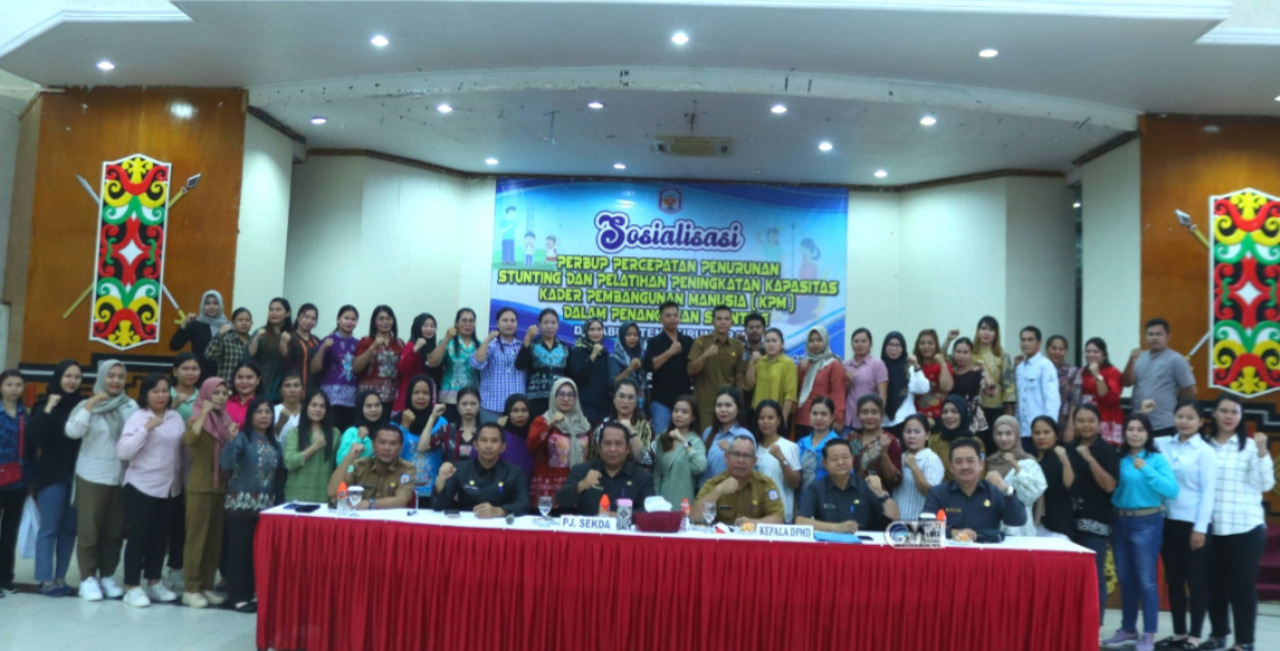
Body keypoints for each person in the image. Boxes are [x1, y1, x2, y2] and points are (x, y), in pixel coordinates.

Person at [1103, 414, 1180, 651]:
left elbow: (1172, 490)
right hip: (1120, 521)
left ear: (1148, 434)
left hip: (1148, 522)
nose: (1135, 434)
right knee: (1126, 579)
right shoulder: (1119, 458)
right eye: (1130, 429)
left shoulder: (1155, 459)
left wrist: (1146, 469)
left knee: (1146, 581)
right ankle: (1128, 629)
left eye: (1140, 430)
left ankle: (1148, 633)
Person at [1202, 394, 1273, 651]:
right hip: (1212, 527)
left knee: (1242, 587)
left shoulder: (1251, 447)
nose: (1229, 416)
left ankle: (1244, 641)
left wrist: (1263, 452)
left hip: (1245, 527)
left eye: (1234, 412)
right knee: (1214, 586)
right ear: (1214, 413)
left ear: (1241, 416)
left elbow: (1265, 484)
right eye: (1224, 411)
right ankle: (1218, 634)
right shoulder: (1204, 446)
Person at [65, 359, 136, 601]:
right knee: (89, 532)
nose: (116, 380)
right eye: (111, 375)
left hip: (121, 478)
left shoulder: (130, 406)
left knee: (114, 532)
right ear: (101, 377)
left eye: (120, 376)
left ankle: (107, 576)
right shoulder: (87, 405)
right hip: (92, 476)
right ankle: (87, 578)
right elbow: (73, 432)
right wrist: (91, 404)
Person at [116, 372, 185, 607]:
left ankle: (154, 582)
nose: (161, 395)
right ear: (145, 394)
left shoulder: (175, 417)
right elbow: (124, 451)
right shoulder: (138, 417)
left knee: (160, 538)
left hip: (170, 488)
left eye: (165, 391)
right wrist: (146, 429)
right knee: (138, 538)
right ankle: (132, 586)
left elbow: (182, 452)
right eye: (155, 391)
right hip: (141, 486)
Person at [1154, 400, 1217, 650]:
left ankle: (1195, 636)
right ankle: (1179, 633)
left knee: (1196, 580)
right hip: (1167, 521)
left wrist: (1200, 527)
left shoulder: (1205, 452)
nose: (1184, 421)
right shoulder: (1162, 444)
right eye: (1180, 416)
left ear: (1201, 422)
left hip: (1194, 525)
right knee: (1174, 580)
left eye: (1190, 417)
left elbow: (1208, 492)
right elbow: (1138, 435)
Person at [220, 398, 283, 614]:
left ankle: (251, 592)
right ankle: (236, 596)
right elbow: (226, 463)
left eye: (268, 412)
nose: (264, 416)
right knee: (238, 552)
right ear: (251, 415)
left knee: (255, 553)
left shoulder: (274, 442)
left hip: (264, 508)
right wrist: (230, 441)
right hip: (240, 505)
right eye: (259, 412)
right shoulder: (242, 438)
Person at [27, 360, 84, 596]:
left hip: (77, 475)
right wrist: (50, 406)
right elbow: (35, 437)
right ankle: (45, 579)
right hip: (50, 475)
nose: (72, 381)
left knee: (69, 530)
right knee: (49, 529)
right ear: (59, 377)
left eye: (77, 377)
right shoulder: (44, 404)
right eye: (68, 376)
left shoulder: (83, 406)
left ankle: (61, 577)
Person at [180, 378, 233, 609]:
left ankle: (206, 585)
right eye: (216, 393)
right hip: (200, 488)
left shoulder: (226, 421)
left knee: (213, 541)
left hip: (220, 488)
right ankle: (191, 588)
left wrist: (232, 438)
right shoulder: (196, 418)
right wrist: (203, 412)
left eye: (224, 393)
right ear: (206, 395)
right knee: (196, 540)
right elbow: (190, 439)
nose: (221, 397)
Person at [1069, 403, 1121, 627]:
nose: (1086, 425)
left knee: (1094, 575)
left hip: (1096, 523)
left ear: (1099, 424)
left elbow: (1109, 486)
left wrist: (1089, 458)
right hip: (1069, 523)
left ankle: (1094, 627)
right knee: (1071, 577)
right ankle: (1073, 625)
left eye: (1091, 420)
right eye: (1081, 420)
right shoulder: (1068, 448)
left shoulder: (1107, 451)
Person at [923, 438, 1027, 542]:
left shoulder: (993, 492)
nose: (965, 466)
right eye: (958, 462)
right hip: (950, 550)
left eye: (970, 461)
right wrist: (951, 532)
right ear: (951, 467)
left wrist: (1006, 490)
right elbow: (921, 531)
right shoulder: (938, 493)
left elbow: (1018, 521)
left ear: (981, 464)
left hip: (986, 550)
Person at [797, 438, 899, 532]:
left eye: (845, 457)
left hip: (863, 542)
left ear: (852, 459)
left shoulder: (865, 485)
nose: (841, 462)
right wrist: (837, 528)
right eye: (834, 459)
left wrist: (880, 493)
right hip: (828, 542)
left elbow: (894, 516)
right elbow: (800, 521)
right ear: (825, 463)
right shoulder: (815, 489)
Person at [556, 421, 655, 514]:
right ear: (599, 447)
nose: (612, 449)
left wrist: (617, 516)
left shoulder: (642, 477)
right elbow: (561, 501)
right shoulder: (581, 470)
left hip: (624, 527)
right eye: (607, 443)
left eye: (618, 444)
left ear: (628, 449)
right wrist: (581, 486)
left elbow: (650, 512)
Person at [433, 423, 530, 516]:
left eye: (494, 441)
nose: (488, 446)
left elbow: (524, 504)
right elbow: (438, 506)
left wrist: (499, 511)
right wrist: (441, 481)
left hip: (501, 524)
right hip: (467, 524)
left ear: (503, 447)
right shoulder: (460, 469)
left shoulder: (515, 472)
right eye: (484, 440)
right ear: (475, 445)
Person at [1123, 318, 1196, 437]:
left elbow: (1190, 390)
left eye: (1159, 334)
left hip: (1164, 424)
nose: (1154, 338)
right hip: (1139, 423)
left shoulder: (1176, 359)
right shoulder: (1140, 357)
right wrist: (1131, 360)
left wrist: (1177, 407)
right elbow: (1127, 382)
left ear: (1168, 337)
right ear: (1145, 337)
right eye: (1150, 334)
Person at [694, 434, 785, 526]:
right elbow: (694, 517)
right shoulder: (714, 484)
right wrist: (718, 491)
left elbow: (778, 520)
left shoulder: (765, 484)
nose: (740, 460)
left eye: (746, 456)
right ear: (726, 457)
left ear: (754, 461)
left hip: (752, 534)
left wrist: (752, 523)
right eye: (736, 454)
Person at [526, 377, 591, 503]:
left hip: (577, 489)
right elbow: (531, 445)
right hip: (548, 493)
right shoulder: (542, 421)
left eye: (570, 395)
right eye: (561, 394)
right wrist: (550, 424)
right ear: (553, 396)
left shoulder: (584, 425)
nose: (565, 399)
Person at [326, 424, 416, 512]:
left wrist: (369, 503)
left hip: (391, 519)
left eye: (393, 444)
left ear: (400, 447)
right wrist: (349, 457)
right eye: (382, 442)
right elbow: (333, 492)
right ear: (373, 445)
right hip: (359, 518)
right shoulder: (360, 465)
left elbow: (402, 500)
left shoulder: (407, 468)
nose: (387, 448)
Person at [986, 415, 1048, 538]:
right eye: (999, 434)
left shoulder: (1028, 461)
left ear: (1017, 434)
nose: (1003, 438)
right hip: (992, 524)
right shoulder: (990, 461)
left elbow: (1032, 493)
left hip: (1019, 527)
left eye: (1009, 433)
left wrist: (1015, 464)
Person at [687, 306, 746, 429]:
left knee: (727, 437)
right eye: (719, 319)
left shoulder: (738, 347)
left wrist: (739, 404)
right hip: (705, 406)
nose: (723, 322)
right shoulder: (701, 342)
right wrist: (705, 355)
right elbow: (690, 370)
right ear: (713, 322)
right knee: (705, 438)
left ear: (732, 322)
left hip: (728, 405)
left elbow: (739, 378)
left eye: (726, 319)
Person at [0, 370, 32, 595]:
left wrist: (30, 479)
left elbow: (30, 450)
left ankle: (5, 579)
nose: (14, 389)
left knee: (9, 532)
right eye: (9, 384)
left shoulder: (25, 414)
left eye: (18, 385)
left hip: (17, 481)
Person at [642, 301, 694, 434]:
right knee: (662, 439)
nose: (672, 319)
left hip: (684, 399)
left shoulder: (688, 341)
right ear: (661, 319)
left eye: (675, 315)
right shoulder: (654, 342)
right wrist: (670, 352)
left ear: (679, 318)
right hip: (661, 401)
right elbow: (650, 366)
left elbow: (693, 367)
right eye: (668, 316)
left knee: (684, 438)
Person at [470, 307, 526, 422]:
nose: (509, 324)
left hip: (517, 409)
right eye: (505, 320)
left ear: (516, 323)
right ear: (497, 323)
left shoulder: (522, 346)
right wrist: (488, 338)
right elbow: (477, 364)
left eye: (512, 320)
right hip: (491, 406)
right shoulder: (491, 345)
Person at [650, 395, 706, 509]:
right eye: (676, 411)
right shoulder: (662, 437)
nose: (678, 415)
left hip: (682, 503)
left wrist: (683, 441)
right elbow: (655, 471)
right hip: (660, 503)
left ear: (693, 417)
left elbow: (700, 467)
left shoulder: (696, 442)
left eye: (684, 412)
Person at [398, 376, 446, 508]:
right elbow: (393, 454)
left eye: (425, 393)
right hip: (403, 491)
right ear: (409, 395)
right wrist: (404, 428)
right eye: (416, 392)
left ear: (432, 396)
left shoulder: (441, 422)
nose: (421, 397)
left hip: (433, 491)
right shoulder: (397, 422)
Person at [282, 390, 337, 503]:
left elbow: (337, 466)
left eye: (322, 406)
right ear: (306, 407)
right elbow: (289, 462)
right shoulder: (295, 433)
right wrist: (314, 447)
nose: (318, 409)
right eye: (314, 405)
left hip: (324, 496)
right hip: (296, 496)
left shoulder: (335, 434)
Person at [1068, 337, 1124, 446]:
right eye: (1088, 351)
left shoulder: (1112, 372)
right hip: (1085, 419)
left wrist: (1097, 375)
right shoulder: (1082, 371)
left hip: (1106, 418)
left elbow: (1110, 399)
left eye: (1095, 351)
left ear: (1104, 354)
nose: (1091, 354)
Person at [312, 305, 360, 429]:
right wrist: (323, 348)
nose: (349, 322)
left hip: (352, 399)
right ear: (338, 319)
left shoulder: (358, 344)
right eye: (346, 318)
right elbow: (314, 369)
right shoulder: (328, 340)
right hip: (330, 398)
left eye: (353, 319)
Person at [516, 308, 571, 418]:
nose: (549, 326)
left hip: (559, 399)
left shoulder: (565, 348)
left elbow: (569, 374)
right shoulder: (532, 345)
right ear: (539, 325)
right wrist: (527, 339)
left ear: (558, 325)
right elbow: (519, 365)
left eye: (553, 323)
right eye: (545, 323)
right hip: (535, 399)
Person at [428, 308, 479, 421]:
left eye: (471, 321)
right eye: (464, 320)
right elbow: (432, 362)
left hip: (472, 399)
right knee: (448, 429)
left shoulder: (479, 344)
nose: (467, 324)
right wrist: (446, 338)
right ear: (456, 323)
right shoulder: (449, 342)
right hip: (449, 398)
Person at [754, 400, 801, 523]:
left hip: (781, 515)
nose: (765, 422)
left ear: (779, 420)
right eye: (761, 418)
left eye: (770, 418)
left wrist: (782, 460)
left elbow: (795, 483)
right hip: (755, 513)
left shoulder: (789, 447)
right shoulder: (753, 447)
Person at [1015, 326, 1060, 451]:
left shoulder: (1045, 366)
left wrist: (1048, 429)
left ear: (1039, 342)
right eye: (1023, 340)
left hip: (1040, 432)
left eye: (1030, 340)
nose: (1026, 343)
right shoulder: (1019, 368)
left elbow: (1052, 400)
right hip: (1023, 431)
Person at [699, 387, 754, 487]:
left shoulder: (745, 436)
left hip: (731, 490)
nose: (723, 410)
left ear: (738, 408)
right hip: (705, 490)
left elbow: (750, 468)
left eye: (728, 405)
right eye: (719, 405)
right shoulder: (708, 432)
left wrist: (730, 450)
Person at [796, 326, 845, 438]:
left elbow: (838, 393)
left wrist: (838, 418)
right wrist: (800, 369)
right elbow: (797, 390)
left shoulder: (833, 364)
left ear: (825, 341)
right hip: (801, 417)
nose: (815, 343)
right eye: (811, 340)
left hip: (822, 418)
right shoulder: (804, 364)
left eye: (819, 340)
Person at [353, 304, 405, 413]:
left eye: (388, 318)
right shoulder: (366, 341)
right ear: (374, 322)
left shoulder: (400, 343)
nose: (385, 322)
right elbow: (356, 368)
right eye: (381, 319)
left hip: (393, 397)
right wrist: (373, 346)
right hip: (370, 397)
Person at [1030, 416, 1075, 539]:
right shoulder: (1029, 459)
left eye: (1046, 432)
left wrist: (1065, 460)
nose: (1041, 437)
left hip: (1058, 525)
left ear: (1056, 435)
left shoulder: (1063, 455)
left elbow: (1070, 486)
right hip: (1033, 523)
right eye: (1037, 433)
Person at [894, 414, 944, 521]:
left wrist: (914, 467)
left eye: (917, 432)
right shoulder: (899, 457)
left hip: (921, 523)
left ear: (927, 435)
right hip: (897, 523)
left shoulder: (932, 459)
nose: (912, 436)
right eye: (908, 431)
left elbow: (930, 492)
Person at [973, 315, 1016, 437]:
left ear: (996, 333)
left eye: (991, 329)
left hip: (995, 408)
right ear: (978, 331)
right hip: (973, 408)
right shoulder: (969, 353)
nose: (987, 332)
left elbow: (1009, 386)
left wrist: (1009, 412)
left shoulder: (1002, 355)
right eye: (983, 328)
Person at [249, 297, 299, 402]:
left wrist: (284, 345)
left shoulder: (293, 336)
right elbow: (248, 358)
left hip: (284, 389)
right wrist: (256, 339)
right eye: (271, 309)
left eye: (278, 309)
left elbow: (294, 364)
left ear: (287, 313)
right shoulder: (260, 333)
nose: (273, 313)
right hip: (261, 387)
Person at [169, 290, 229, 378]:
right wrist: (184, 324)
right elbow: (174, 346)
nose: (211, 306)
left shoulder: (228, 326)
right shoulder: (195, 325)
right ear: (202, 305)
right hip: (199, 375)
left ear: (220, 305)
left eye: (215, 303)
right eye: (207, 303)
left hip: (222, 375)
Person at [849, 395, 903, 492]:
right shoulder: (854, 438)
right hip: (852, 492)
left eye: (874, 412)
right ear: (858, 415)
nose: (869, 417)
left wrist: (883, 454)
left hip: (878, 496)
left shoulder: (889, 440)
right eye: (864, 412)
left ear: (881, 415)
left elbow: (894, 480)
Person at [879, 331, 929, 435]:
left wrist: (916, 366)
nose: (894, 348)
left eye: (898, 345)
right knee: (879, 445)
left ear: (903, 348)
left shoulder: (909, 368)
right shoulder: (878, 367)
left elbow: (924, 388)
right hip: (881, 422)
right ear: (884, 347)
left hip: (906, 422)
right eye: (890, 344)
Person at [596, 379, 653, 469]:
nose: (625, 401)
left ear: (637, 400)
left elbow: (647, 461)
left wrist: (631, 431)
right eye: (621, 396)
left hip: (635, 474)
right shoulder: (603, 425)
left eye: (631, 397)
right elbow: (594, 459)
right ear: (614, 399)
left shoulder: (646, 427)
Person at [744, 327, 797, 425]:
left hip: (777, 415)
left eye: (774, 341)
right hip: (758, 414)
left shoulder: (788, 363)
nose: (771, 344)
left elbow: (790, 394)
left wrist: (783, 419)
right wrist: (751, 363)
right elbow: (748, 386)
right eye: (767, 341)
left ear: (782, 344)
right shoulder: (759, 362)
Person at [569, 318, 613, 423]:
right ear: (586, 332)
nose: (596, 333)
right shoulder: (577, 352)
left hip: (604, 408)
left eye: (599, 329)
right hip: (584, 407)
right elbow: (578, 376)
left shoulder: (605, 353)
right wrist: (593, 355)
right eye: (592, 329)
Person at [843, 328, 887, 433]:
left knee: (870, 444)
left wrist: (879, 415)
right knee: (848, 444)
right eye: (856, 341)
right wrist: (847, 382)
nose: (859, 344)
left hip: (869, 419)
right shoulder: (846, 365)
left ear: (870, 344)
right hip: (849, 420)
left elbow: (882, 392)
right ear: (851, 344)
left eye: (863, 341)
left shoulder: (877, 364)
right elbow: (842, 393)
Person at [927, 395, 981, 480]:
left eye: (954, 411)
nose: (949, 416)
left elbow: (980, 474)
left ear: (963, 413)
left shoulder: (974, 442)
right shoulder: (934, 439)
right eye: (945, 412)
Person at [397, 313, 442, 412]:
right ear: (417, 327)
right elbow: (403, 369)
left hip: (429, 391)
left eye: (432, 326)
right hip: (411, 390)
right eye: (425, 326)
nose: (429, 329)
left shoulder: (435, 348)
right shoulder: (411, 345)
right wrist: (415, 349)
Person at [795, 397, 839, 494]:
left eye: (824, 414)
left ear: (832, 417)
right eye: (814, 414)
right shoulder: (801, 443)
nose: (819, 418)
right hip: (803, 498)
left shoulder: (837, 443)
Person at [947, 337, 990, 435]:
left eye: (965, 352)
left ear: (971, 354)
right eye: (958, 352)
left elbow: (992, 392)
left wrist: (984, 368)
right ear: (953, 352)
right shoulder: (949, 371)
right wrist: (948, 339)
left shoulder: (976, 372)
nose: (961, 356)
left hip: (973, 418)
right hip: (952, 417)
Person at [427, 387, 482, 464]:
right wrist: (432, 417)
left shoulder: (486, 431)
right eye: (464, 404)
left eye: (473, 404)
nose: (468, 408)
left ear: (479, 406)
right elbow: (423, 447)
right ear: (457, 407)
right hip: (451, 471)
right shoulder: (447, 429)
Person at [913, 328, 956, 421]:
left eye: (930, 343)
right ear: (917, 346)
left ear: (936, 345)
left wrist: (942, 363)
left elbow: (947, 387)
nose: (926, 346)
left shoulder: (943, 365)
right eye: (922, 343)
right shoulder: (913, 366)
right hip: (916, 416)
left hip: (940, 416)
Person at [496, 394, 535, 486]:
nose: (520, 415)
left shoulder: (534, 436)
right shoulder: (500, 435)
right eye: (515, 410)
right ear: (508, 413)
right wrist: (496, 429)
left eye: (524, 410)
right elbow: (476, 454)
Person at [205, 307, 252, 383]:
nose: (244, 323)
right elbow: (209, 355)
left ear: (251, 323)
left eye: (247, 320)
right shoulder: (225, 339)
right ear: (233, 323)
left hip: (247, 385)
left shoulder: (254, 341)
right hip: (226, 386)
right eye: (240, 320)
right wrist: (220, 333)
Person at [336, 390, 385, 462]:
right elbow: (340, 461)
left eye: (377, 405)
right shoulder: (352, 431)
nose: (374, 409)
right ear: (360, 407)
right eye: (369, 406)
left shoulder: (387, 430)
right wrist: (358, 439)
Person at [608, 322, 647, 410]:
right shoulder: (615, 357)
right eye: (628, 335)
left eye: (635, 335)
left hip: (640, 403)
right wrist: (630, 368)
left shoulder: (640, 356)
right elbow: (613, 384)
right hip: (621, 404)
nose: (632, 338)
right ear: (622, 336)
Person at [1045, 335, 1079, 429]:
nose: (1057, 352)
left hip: (1064, 421)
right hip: (1041, 419)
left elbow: (1075, 401)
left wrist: (1070, 425)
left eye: (1061, 349)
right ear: (1047, 349)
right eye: (1054, 348)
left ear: (1066, 351)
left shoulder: (1072, 371)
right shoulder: (1040, 369)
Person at [291, 303, 323, 392]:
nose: (309, 321)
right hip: (293, 386)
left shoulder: (316, 341)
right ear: (298, 317)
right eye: (306, 317)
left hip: (313, 387)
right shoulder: (289, 337)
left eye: (313, 319)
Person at [224, 361, 260, 428]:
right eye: (240, 377)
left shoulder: (263, 405)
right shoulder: (224, 402)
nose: (244, 381)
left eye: (249, 377)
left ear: (258, 380)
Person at [273, 372, 305, 437]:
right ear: (281, 390)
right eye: (287, 386)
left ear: (302, 389)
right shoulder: (272, 411)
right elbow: (265, 439)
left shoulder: (309, 411)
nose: (292, 390)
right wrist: (280, 423)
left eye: (296, 385)